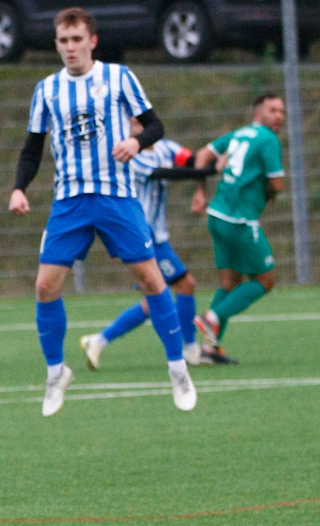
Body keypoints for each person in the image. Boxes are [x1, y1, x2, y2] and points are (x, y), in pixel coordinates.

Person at [7, 7, 196, 416]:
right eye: (63, 40)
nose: (70, 47)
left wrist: (138, 142)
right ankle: (56, 373)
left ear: (92, 41)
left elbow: (155, 126)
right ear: (56, 44)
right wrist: (19, 188)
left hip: (116, 197)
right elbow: (32, 149)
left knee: (151, 279)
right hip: (70, 202)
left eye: (77, 39)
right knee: (45, 287)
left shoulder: (118, 77)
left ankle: (178, 367)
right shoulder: (48, 89)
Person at [79, 117, 217, 370]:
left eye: (141, 120)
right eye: (132, 121)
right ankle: (189, 348)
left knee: (153, 300)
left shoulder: (166, 147)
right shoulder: (129, 154)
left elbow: (192, 159)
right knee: (185, 285)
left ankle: (99, 340)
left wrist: (216, 161)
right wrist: (212, 171)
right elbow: (165, 174)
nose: (138, 125)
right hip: (143, 235)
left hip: (157, 234)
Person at [190, 93, 286, 362]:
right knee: (265, 280)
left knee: (229, 283)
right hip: (240, 221)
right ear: (259, 113)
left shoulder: (240, 133)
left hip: (217, 215)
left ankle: (210, 349)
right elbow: (277, 184)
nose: (279, 116)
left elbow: (202, 155)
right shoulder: (268, 139)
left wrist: (200, 192)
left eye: (281, 111)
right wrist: (268, 194)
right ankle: (212, 318)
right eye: (273, 110)